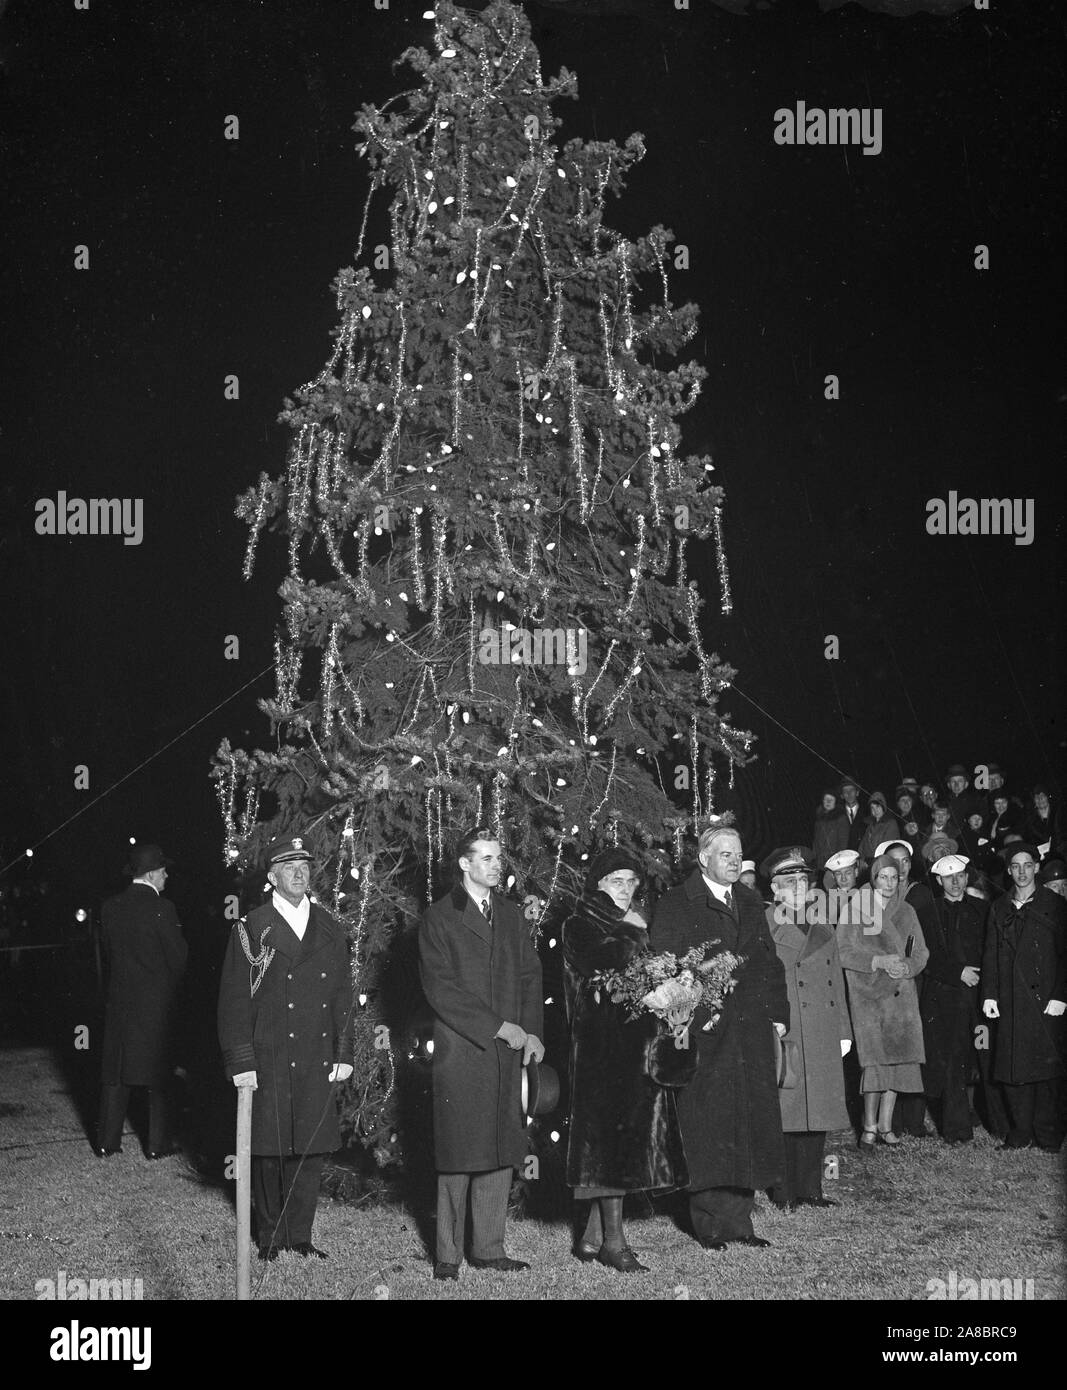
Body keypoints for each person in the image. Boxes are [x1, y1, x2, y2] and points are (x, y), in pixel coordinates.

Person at [651, 826, 788, 1250]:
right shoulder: (676, 903)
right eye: (725, 854)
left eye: (738, 853)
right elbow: (666, 966)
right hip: (706, 1032)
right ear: (703, 859)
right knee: (708, 1123)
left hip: (750, 1029)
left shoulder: (749, 900)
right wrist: (685, 1018)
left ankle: (740, 1223)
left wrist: (778, 1016)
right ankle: (708, 1223)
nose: (734, 860)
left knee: (747, 1119)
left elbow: (769, 960)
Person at [217, 835, 354, 1260]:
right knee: (270, 1149)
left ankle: (301, 1235)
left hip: (316, 1053)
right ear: (273, 877)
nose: (299, 872)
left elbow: (344, 996)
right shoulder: (251, 927)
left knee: (309, 1149)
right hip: (270, 1053)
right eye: (289, 865)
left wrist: (345, 1053)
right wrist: (242, 1060)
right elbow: (234, 1000)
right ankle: (272, 1237)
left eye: (305, 865)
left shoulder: (330, 926)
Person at [418, 827, 543, 1280]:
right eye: (486, 858)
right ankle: (448, 1256)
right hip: (462, 1050)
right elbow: (441, 989)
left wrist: (532, 1032)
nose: (496, 865)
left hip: (509, 1051)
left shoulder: (511, 915)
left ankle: (489, 1248)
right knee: (458, 1153)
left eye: (498, 858)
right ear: (464, 864)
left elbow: (530, 974)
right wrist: (498, 1027)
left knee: (500, 1146)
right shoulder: (439, 917)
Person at [562, 850, 687, 1273]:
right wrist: (634, 932)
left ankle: (591, 1239)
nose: (626, 888)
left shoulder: (630, 923)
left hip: (635, 1046)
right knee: (611, 1148)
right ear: (597, 883)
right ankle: (616, 1245)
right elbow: (603, 963)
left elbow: (642, 976)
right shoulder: (580, 924)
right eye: (617, 880)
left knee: (622, 1138)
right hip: (600, 1050)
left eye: (632, 881)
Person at [762, 847, 851, 1209]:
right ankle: (783, 1191)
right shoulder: (766, 924)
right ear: (775, 888)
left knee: (820, 1112)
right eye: (790, 881)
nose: (799, 887)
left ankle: (811, 1188)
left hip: (823, 1027)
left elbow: (836, 978)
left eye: (802, 880)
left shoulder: (822, 922)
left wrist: (844, 1029)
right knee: (788, 1111)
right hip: (790, 1027)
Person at [96, 844, 188, 1159]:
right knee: (157, 1076)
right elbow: (178, 959)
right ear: (151, 873)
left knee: (116, 1072)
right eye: (163, 870)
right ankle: (157, 1146)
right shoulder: (163, 908)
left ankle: (107, 1142)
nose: (166, 875)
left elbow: (107, 956)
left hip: (119, 1003)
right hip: (155, 1007)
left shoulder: (110, 907)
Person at [835, 854, 928, 1148]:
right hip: (869, 997)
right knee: (874, 1064)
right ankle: (869, 1125)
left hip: (901, 996)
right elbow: (842, 952)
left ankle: (886, 1126)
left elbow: (922, 951)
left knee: (898, 1062)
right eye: (882, 877)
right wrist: (877, 960)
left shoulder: (908, 911)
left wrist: (909, 967)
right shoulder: (856, 909)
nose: (889, 883)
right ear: (873, 879)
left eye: (894, 877)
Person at [981, 844, 1066, 1151]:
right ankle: (1020, 1134)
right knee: (1014, 1068)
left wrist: (1060, 995)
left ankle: (1047, 1136)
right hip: (1011, 1001)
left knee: (1046, 1071)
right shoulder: (1000, 906)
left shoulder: (1054, 904)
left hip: (1046, 1002)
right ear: (1008, 871)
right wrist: (989, 994)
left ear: (1036, 868)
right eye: (1015, 866)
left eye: (1027, 865)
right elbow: (990, 953)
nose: (1021, 872)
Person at [921, 854, 987, 1144]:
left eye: (960, 875)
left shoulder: (982, 909)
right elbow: (925, 957)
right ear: (939, 881)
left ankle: (997, 1121)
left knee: (983, 1054)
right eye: (949, 877)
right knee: (952, 1061)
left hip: (979, 995)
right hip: (945, 998)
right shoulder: (927, 912)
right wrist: (957, 973)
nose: (956, 881)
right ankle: (957, 1129)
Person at [881, 839, 938, 1139]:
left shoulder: (921, 895)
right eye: (893, 861)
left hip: (916, 980)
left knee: (915, 1048)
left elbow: (925, 945)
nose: (899, 867)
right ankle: (890, 1122)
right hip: (885, 984)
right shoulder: (877, 897)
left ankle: (913, 1120)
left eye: (904, 861)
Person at [858, 793, 900, 865]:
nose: (875, 810)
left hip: (882, 863)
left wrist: (872, 861)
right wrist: (860, 859)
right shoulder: (870, 825)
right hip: (868, 863)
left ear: (883, 806)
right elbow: (863, 845)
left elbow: (886, 847)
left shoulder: (891, 823)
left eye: (877, 806)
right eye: (872, 808)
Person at [813, 790, 849, 870]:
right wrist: (815, 858)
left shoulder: (841, 818)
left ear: (835, 802)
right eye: (826, 799)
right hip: (820, 863)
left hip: (834, 862)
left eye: (831, 800)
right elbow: (816, 842)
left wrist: (837, 861)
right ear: (822, 801)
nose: (828, 802)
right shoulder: (819, 819)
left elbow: (843, 842)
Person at [1023, 786, 1062, 859]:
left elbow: (1062, 835)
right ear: (1034, 801)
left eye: (1042, 796)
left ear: (1047, 797)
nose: (1040, 799)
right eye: (1036, 797)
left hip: (1059, 852)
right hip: (1039, 855)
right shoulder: (1030, 818)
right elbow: (1028, 839)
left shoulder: (1059, 813)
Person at [838, 779, 866, 852]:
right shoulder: (837, 815)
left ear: (857, 793)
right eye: (845, 791)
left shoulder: (868, 813)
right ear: (842, 796)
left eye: (852, 790)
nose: (849, 793)